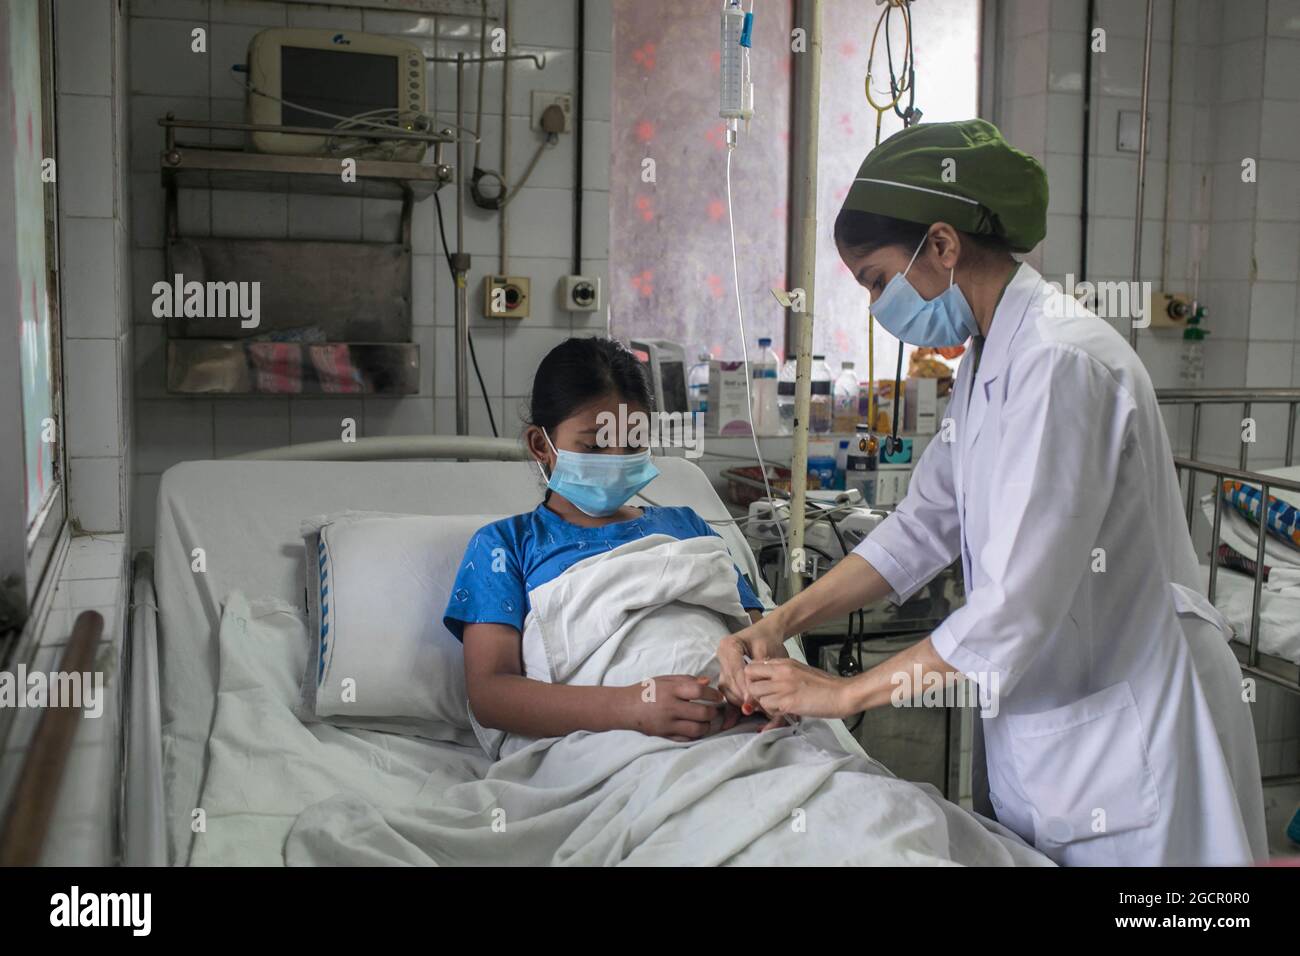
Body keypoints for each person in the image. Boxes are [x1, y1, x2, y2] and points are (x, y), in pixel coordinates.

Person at [718, 119, 1268, 866]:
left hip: (1139, 726)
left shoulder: (1060, 362)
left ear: (942, 247)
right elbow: (922, 527)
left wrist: (844, 692)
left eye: (879, 280)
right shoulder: (985, 363)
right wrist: (783, 618)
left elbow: (1013, 608)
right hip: (1065, 730)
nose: (880, 306)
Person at [443, 336, 765, 743]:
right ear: (541, 444)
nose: (616, 460)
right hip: (608, 743)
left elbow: (760, 641)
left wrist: (764, 691)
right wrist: (633, 708)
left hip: (742, 729)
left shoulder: (689, 526)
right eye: (594, 445)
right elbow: (491, 694)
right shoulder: (505, 546)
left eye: (633, 443)